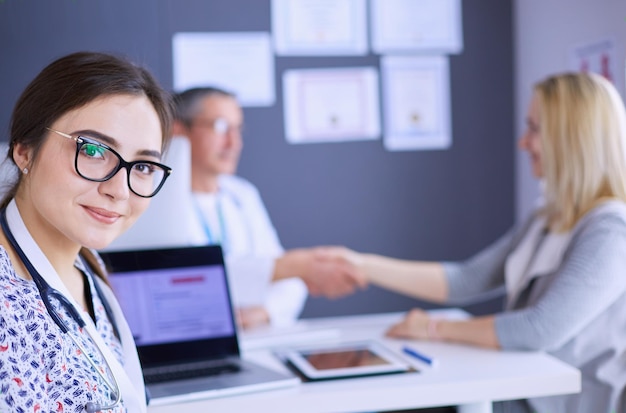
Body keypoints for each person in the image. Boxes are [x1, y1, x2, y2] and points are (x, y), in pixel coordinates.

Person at [318, 72, 626, 413]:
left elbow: (539, 329)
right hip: (521, 387)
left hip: (559, 402)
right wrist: (361, 265)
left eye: (535, 129)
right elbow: (467, 279)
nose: (523, 142)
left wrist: (433, 328)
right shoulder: (549, 217)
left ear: (572, 139)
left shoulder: (611, 231)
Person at [0, 51, 173, 412]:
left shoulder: (88, 268)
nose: (120, 190)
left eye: (142, 165)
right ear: (24, 150)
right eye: (94, 150)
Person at [172, 87, 364, 329]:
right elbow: (185, 281)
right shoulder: (156, 202)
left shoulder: (243, 194)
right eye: (220, 127)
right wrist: (295, 265)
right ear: (178, 130)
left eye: (238, 129)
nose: (234, 142)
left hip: (256, 335)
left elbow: (290, 283)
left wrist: (266, 312)